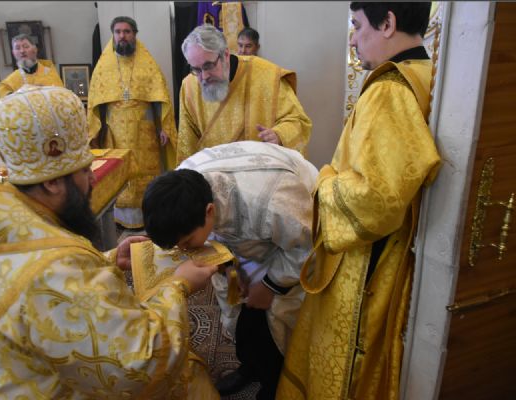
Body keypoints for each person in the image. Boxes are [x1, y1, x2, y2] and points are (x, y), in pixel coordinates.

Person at [0, 85, 219, 399]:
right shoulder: (55, 266)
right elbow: (142, 366)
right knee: (192, 380)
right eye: (85, 171)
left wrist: (108, 260)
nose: (93, 179)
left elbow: (39, 290)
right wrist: (177, 286)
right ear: (54, 183)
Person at [277, 3, 442, 400]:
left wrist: (324, 181)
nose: (352, 39)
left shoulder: (389, 90)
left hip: (367, 258)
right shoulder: (428, 74)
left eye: (357, 25)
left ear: (388, 23)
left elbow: (374, 201)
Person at [142, 141, 319, 399]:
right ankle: (249, 366)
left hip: (289, 237)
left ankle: (275, 384)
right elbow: (213, 240)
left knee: (277, 319)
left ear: (210, 211)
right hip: (247, 236)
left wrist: (270, 286)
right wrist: (230, 268)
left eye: (187, 242)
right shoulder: (182, 190)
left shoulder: (272, 202)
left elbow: (308, 248)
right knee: (237, 304)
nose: (185, 251)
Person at [88, 16, 177, 230]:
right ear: (113, 35)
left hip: (144, 131)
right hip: (115, 131)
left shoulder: (147, 63)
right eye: (118, 32)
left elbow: (160, 98)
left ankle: (149, 217)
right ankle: (123, 221)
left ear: (134, 34)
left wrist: (164, 127)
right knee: (121, 172)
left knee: (146, 174)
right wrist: (96, 132)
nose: (122, 36)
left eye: (127, 32)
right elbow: (95, 104)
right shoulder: (104, 66)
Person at [177, 24, 312, 165]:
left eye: (209, 66)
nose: (204, 76)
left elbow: (299, 121)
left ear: (225, 55)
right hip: (213, 172)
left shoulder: (267, 75)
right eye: (196, 69)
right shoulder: (189, 87)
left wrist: (279, 135)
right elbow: (187, 145)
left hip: (262, 170)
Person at [0, 33, 63, 98]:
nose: (22, 51)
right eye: (17, 48)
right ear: (13, 53)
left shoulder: (49, 72)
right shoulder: (9, 82)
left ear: (35, 49)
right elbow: (7, 99)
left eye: (26, 47)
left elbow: (61, 95)